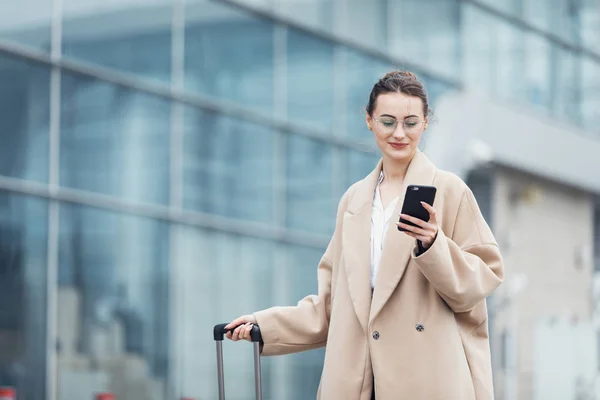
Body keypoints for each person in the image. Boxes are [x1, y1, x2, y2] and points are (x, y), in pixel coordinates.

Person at [225, 71, 504, 400]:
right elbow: (332, 307)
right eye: (388, 122)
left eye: (410, 122)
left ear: (426, 123)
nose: (399, 133)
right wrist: (264, 324)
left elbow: (482, 279)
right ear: (369, 120)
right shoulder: (354, 201)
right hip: (358, 380)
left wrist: (433, 245)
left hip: (426, 379)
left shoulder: (450, 191)